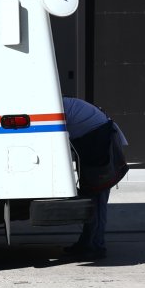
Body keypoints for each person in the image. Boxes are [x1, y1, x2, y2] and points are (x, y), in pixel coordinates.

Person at [62, 97, 128, 260]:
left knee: (97, 201)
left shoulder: (58, 107)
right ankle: (86, 243)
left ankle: (97, 246)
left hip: (100, 146)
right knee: (92, 199)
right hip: (93, 144)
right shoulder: (64, 104)